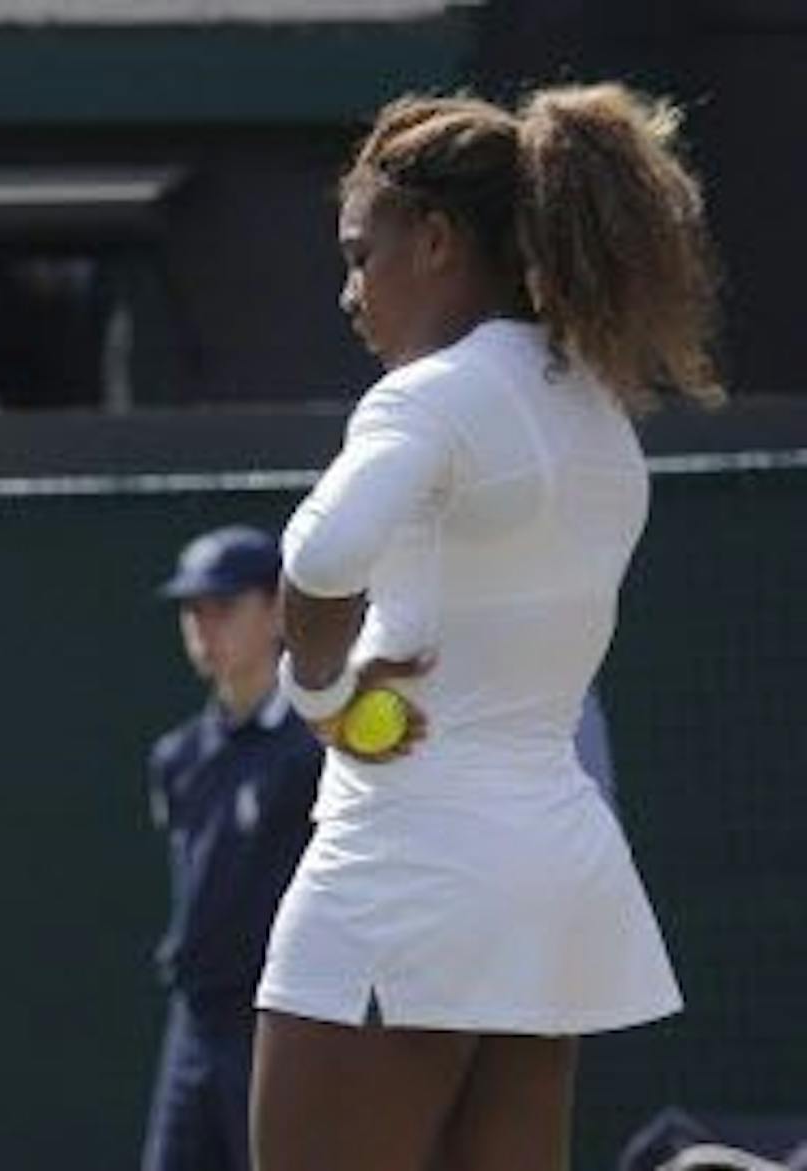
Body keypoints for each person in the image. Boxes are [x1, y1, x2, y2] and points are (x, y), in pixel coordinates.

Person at [257, 83, 721, 1170]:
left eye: (361, 255)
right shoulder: (597, 411)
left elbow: (319, 558)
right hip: (551, 877)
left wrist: (323, 695)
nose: (349, 292)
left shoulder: (428, 397)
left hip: (406, 864)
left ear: (435, 240)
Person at [143, 526, 323, 1171]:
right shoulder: (177, 757)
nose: (204, 626)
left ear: (277, 612)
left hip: (280, 1022)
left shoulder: (317, 752)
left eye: (223, 606)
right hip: (193, 1022)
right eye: (192, 610)